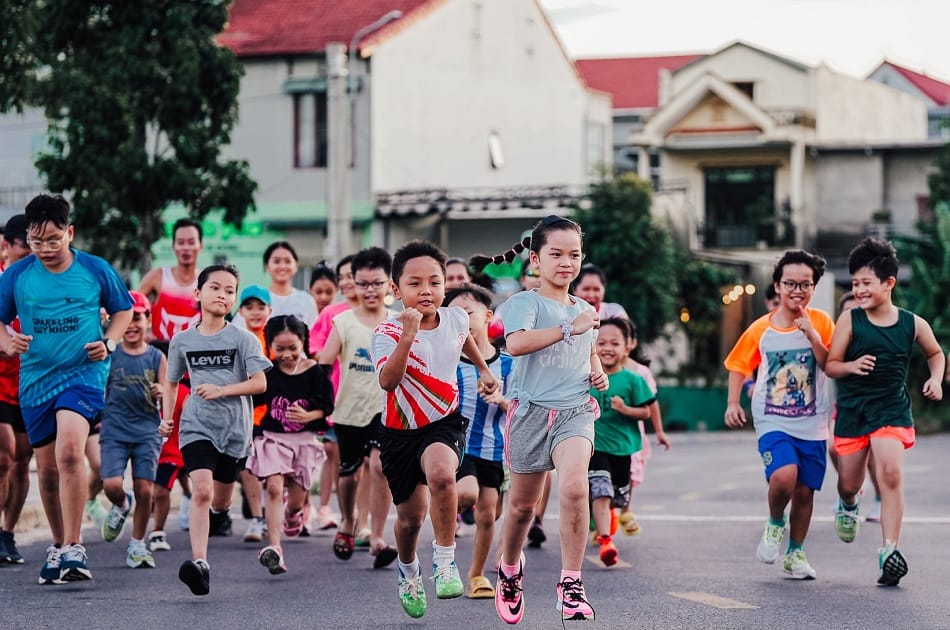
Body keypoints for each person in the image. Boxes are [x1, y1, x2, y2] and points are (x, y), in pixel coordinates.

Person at [478, 214, 608, 625]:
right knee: (521, 508)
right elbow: (516, 344)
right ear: (536, 258)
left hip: (575, 410)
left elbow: (586, 353)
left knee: (573, 488)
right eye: (556, 254)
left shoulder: (584, 310)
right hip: (530, 411)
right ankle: (510, 570)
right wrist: (571, 328)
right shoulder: (525, 302)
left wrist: (596, 370)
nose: (566, 262)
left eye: (574, 254)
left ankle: (571, 585)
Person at [0, 194, 133, 584]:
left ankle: (75, 545)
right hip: (36, 380)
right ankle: (58, 546)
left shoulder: (94, 268)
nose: (45, 249)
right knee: (48, 472)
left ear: (69, 232)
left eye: (54, 240)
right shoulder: (19, 275)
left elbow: (123, 310)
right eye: (37, 242)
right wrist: (7, 341)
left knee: (71, 450)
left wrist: (108, 342)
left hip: (83, 374)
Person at [372, 240, 499, 619]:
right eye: (415, 284)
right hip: (398, 432)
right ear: (396, 291)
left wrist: (483, 369)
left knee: (444, 476)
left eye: (434, 282)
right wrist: (408, 335)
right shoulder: (386, 332)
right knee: (410, 519)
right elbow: (388, 382)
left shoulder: (457, 318)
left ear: (445, 286)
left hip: (444, 422)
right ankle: (409, 571)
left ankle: (445, 562)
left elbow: (466, 342)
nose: (426, 291)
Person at [824, 236, 944, 587]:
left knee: (890, 474)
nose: (858, 290)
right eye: (855, 283)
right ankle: (849, 504)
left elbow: (935, 354)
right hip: (852, 411)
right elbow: (831, 365)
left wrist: (936, 379)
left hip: (891, 408)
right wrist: (851, 366)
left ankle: (889, 550)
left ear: (889, 283)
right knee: (849, 483)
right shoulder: (850, 321)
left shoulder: (912, 323)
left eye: (866, 283)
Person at [160, 264, 271, 596]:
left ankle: (221, 514)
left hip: (234, 431)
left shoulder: (243, 339)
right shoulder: (182, 340)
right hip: (196, 425)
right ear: (198, 293)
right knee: (202, 492)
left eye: (229, 290)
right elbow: (170, 381)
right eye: (215, 288)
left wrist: (223, 390)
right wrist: (167, 418)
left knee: (219, 501)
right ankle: (200, 564)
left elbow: (260, 383)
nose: (222, 295)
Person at [723, 249, 834, 580]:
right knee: (784, 476)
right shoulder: (762, 329)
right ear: (778, 285)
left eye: (805, 284)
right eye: (790, 284)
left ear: (813, 287)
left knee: (805, 492)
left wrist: (812, 335)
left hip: (813, 422)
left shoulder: (823, 322)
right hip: (773, 419)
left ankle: (795, 552)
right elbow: (738, 365)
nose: (797, 291)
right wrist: (733, 403)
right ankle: (774, 523)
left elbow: (830, 364)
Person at [318, 247, 398, 569]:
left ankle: (377, 537)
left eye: (376, 283)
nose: (369, 290)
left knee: (380, 468)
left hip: (386, 409)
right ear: (352, 284)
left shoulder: (399, 323)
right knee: (349, 475)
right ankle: (347, 522)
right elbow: (324, 364)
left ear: (390, 285)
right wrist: (316, 406)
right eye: (362, 283)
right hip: (349, 410)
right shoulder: (343, 322)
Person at [248, 315, 334, 574]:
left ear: (303, 342)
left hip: (304, 441)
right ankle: (275, 547)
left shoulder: (315, 372)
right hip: (274, 438)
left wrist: (310, 415)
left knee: (296, 501)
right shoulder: (268, 373)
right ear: (269, 346)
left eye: (292, 348)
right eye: (280, 349)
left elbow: (327, 405)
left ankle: (293, 513)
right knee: (274, 487)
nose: (286, 354)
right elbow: (253, 398)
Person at [444, 283, 513, 599]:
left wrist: (500, 399)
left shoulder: (509, 363)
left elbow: (520, 406)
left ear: (487, 316)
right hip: (458, 445)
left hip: (494, 449)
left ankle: (475, 576)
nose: (462, 319)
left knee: (489, 516)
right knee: (468, 495)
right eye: (454, 314)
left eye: (467, 312)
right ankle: (442, 549)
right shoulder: (447, 361)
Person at [99, 291, 167, 569]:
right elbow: (99, 387)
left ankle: (138, 545)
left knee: (145, 489)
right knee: (112, 485)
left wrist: (161, 390)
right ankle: (120, 505)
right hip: (114, 428)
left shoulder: (156, 357)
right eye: (125, 318)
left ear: (148, 320)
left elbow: (168, 389)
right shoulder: (109, 354)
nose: (131, 325)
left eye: (138, 317)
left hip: (147, 430)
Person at [588, 318, 656, 566]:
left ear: (627, 347)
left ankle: (609, 519)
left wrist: (625, 409)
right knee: (601, 490)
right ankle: (606, 540)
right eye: (601, 342)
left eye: (614, 343)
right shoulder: (586, 377)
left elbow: (646, 412)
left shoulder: (633, 380)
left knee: (618, 493)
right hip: (594, 446)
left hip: (623, 447)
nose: (607, 348)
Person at [309, 255, 359, 531]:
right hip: (336, 395)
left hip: (367, 399)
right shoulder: (332, 314)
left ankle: (357, 518)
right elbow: (316, 350)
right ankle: (324, 507)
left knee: (363, 462)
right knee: (332, 450)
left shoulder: (378, 313)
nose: (349, 281)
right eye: (344, 276)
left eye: (354, 275)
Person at [618, 318, 671, 536]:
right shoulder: (597, 367)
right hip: (603, 432)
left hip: (632, 432)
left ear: (630, 343)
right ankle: (601, 518)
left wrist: (659, 431)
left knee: (629, 472)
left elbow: (651, 403)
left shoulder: (640, 372)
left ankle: (625, 511)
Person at [0, 215, 33, 564]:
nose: (30, 254)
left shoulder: (41, 281)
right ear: (6, 245)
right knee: (4, 454)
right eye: (25, 246)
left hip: (29, 384)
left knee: (23, 460)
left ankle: (8, 532)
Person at [233, 285, 272, 542]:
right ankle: (257, 519)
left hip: (274, 413)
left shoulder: (278, 337)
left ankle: (278, 510)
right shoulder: (235, 338)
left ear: (270, 310)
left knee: (271, 471)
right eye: (249, 307)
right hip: (246, 414)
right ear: (241, 311)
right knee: (247, 466)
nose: (255, 312)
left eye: (261, 307)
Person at [138, 217, 203, 341]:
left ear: (200, 245)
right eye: (180, 242)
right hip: (160, 353)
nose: (186, 248)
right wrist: (146, 332)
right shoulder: (157, 277)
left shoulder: (206, 281)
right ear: (173, 246)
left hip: (194, 355)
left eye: (191, 242)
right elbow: (133, 306)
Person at [233, 241, 317, 329]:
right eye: (276, 261)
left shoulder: (307, 301)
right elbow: (236, 331)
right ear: (266, 266)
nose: (282, 266)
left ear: (296, 265)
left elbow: (314, 335)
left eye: (287, 261)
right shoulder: (254, 299)